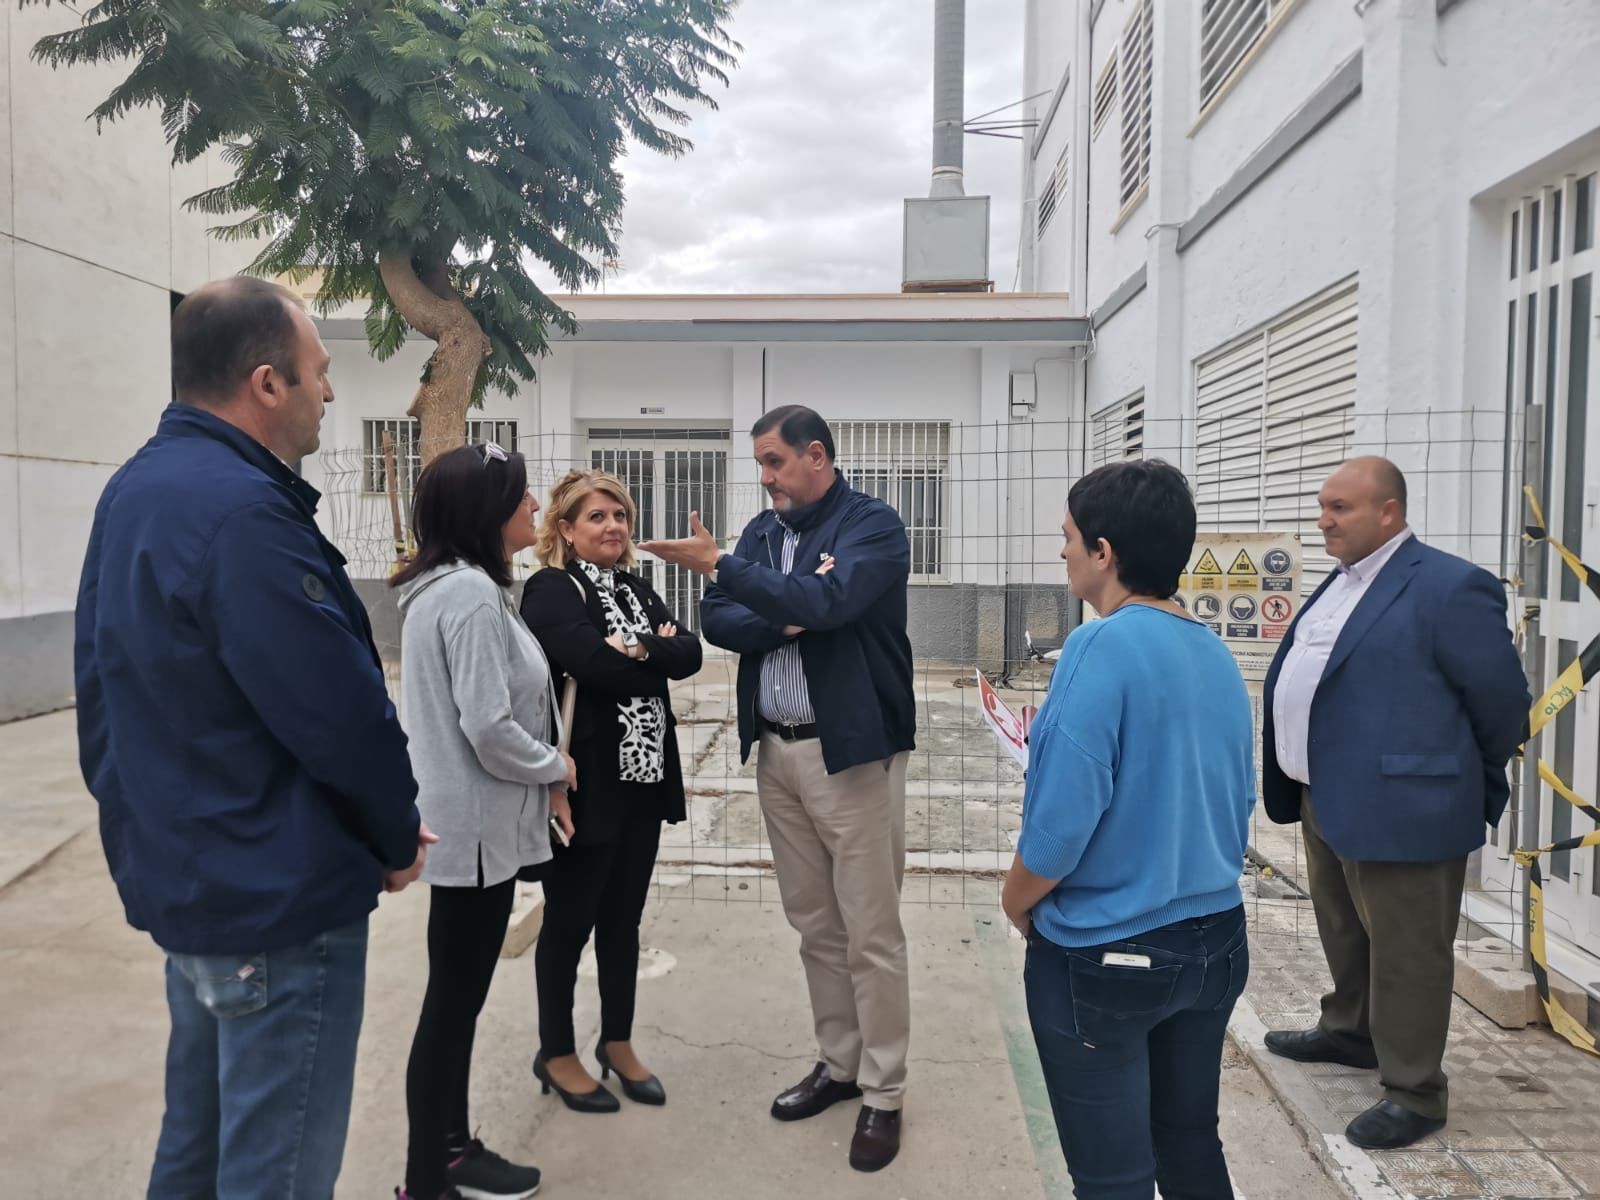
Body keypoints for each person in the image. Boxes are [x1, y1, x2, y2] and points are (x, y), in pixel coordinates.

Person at [74, 277, 431, 1199]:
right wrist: (395, 839)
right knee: (274, 1175)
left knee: (192, 1156)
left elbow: (101, 703)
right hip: (275, 906)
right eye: (320, 370)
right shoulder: (244, 515)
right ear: (267, 383)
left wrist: (155, 848)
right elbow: (338, 715)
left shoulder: (137, 491)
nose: (331, 392)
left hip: (198, 885)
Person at [641, 405, 915, 1173]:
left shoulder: (872, 526)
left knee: (870, 932)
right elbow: (719, 620)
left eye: (774, 462)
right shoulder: (764, 535)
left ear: (815, 456)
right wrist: (786, 613)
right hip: (777, 753)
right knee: (815, 925)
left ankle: (885, 1091)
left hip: (849, 754)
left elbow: (829, 602)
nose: (764, 478)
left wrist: (737, 574)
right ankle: (840, 1063)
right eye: (760, 464)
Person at [1001, 459, 1256, 1200]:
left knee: (1112, 1179)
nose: (1063, 552)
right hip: (1216, 941)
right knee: (1190, 1146)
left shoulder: (1097, 646)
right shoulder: (1213, 651)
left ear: (1104, 552)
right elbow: (1235, 799)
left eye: (1069, 537)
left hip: (1107, 957)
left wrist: (1016, 901)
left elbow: (1059, 831)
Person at [1260, 457, 1529, 1150]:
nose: (1323, 520)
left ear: (1389, 512)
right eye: (1323, 506)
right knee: (1344, 928)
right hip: (1324, 794)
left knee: (1408, 949)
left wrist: (1463, 777)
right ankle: (1352, 1032)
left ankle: (1414, 1091)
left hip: (1408, 805)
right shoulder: (1342, 581)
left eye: (1339, 508)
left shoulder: (1450, 585)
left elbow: (1502, 702)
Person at [391, 442, 578, 1200]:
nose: (534, 507)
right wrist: (554, 765)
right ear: (485, 511)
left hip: (467, 825)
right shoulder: (467, 594)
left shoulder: (452, 587)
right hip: (471, 833)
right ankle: (429, 1176)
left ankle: (448, 1152)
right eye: (522, 496)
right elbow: (489, 727)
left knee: (454, 1002)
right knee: (451, 1007)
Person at [519, 469, 702, 1114]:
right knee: (569, 922)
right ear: (566, 529)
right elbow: (589, 664)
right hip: (586, 784)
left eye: (620, 515)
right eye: (596, 516)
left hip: (643, 779)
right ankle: (556, 1050)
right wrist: (650, 653)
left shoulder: (635, 586)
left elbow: (691, 655)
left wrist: (634, 647)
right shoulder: (551, 589)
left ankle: (617, 1042)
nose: (613, 527)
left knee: (623, 921)